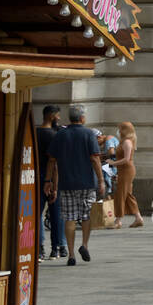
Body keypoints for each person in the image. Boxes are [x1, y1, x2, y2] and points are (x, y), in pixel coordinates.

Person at [44, 103, 105, 267]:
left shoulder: (61, 134)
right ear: (83, 118)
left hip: (67, 183)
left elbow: (51, 160)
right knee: (86, 216)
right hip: (86, 183)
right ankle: (84, 245)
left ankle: (71, 254)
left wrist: (48, 181)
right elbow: (94, 158)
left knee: (69, 218)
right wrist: (101, 180)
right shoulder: (88, 134)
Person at [36, 105, 65, 260]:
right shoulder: (54, 135)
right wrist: (54, 183)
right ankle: (56, 248)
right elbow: (54, 162)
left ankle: (39, 248)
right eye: (58, 115)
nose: (59, 119)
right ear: (52, 115)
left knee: (37, 214)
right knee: (55, 213)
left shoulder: (34, 133)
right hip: (52, 177)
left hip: (35, 176)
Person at [105, 121, 143, 230]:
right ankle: (138, 218)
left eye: (120, 128)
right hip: (123, 170)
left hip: (127, 170)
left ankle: (118, 221)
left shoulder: (127, 142)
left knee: (120, 195)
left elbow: (126, 159)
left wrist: (113, 163)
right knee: (128, 195)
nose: (118, 130)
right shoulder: (124, 141)